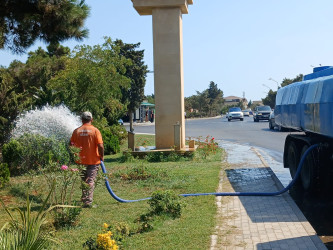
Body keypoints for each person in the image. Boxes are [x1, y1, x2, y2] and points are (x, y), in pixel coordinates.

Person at [70, 111, 104, 208]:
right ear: (91, 120)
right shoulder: (95, 131)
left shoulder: (76, 131)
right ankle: (87, 202)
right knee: (90, 181)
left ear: (82, 120)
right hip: (93, 161)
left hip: (80, 161)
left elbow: (71, 145)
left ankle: (84, 198)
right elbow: (100, 146)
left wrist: (75, 155)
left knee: (84, 180)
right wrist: (102, 156)